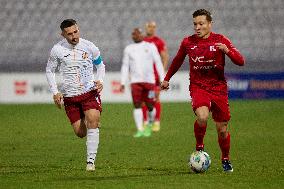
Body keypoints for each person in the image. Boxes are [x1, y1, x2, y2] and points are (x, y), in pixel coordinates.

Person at [161, 9, 245, 172]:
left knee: (222, 130)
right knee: (203, 116)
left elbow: (241, 61)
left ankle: (225, 159)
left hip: (218, 88)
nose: (197, 27)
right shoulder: (188, 42)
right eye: (195, 24)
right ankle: (200, 146)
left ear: (209, 24)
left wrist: (227, 51)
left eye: (201, 24)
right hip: (198, 86)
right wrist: (167, 79)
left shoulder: (221, 40)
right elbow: (178, 60)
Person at [46, 19, 105, 171]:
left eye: (76, 31)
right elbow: (50, 70)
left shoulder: (89, 47)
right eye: (69, 34)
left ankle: (90, 162)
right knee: (80, 133)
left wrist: (100, 80)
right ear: (63, 34)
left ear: (78, 29)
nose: (74, 36)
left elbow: (100, 65)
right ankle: (88, 117)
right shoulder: (57, 50)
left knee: (93, 121)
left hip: (89, 92)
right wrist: (55, 92)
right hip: (70, 97)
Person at [120, 28, 165, 138]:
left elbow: (158, 62)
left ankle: (149, 124)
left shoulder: (150, 46)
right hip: (135, 82)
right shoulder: (129, 49)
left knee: (150, 105)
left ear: (142, 35)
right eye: (133, 34)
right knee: (137, 105)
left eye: (137, 34)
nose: (134, 36)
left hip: (149, 81)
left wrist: (163, 78)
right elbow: (125, 66)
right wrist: (122, 81)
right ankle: (140, 129)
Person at [143, 21, 169, 132]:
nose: (151, 28)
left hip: (155, 76)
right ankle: (146, 123)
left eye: (153, 26)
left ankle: (156, 122)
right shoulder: (142, 41)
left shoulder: (159, 42)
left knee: (156, 98)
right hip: (144, 75)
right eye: (149, 26)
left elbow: (165, 57)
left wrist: (162, 72)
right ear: (146, 28)